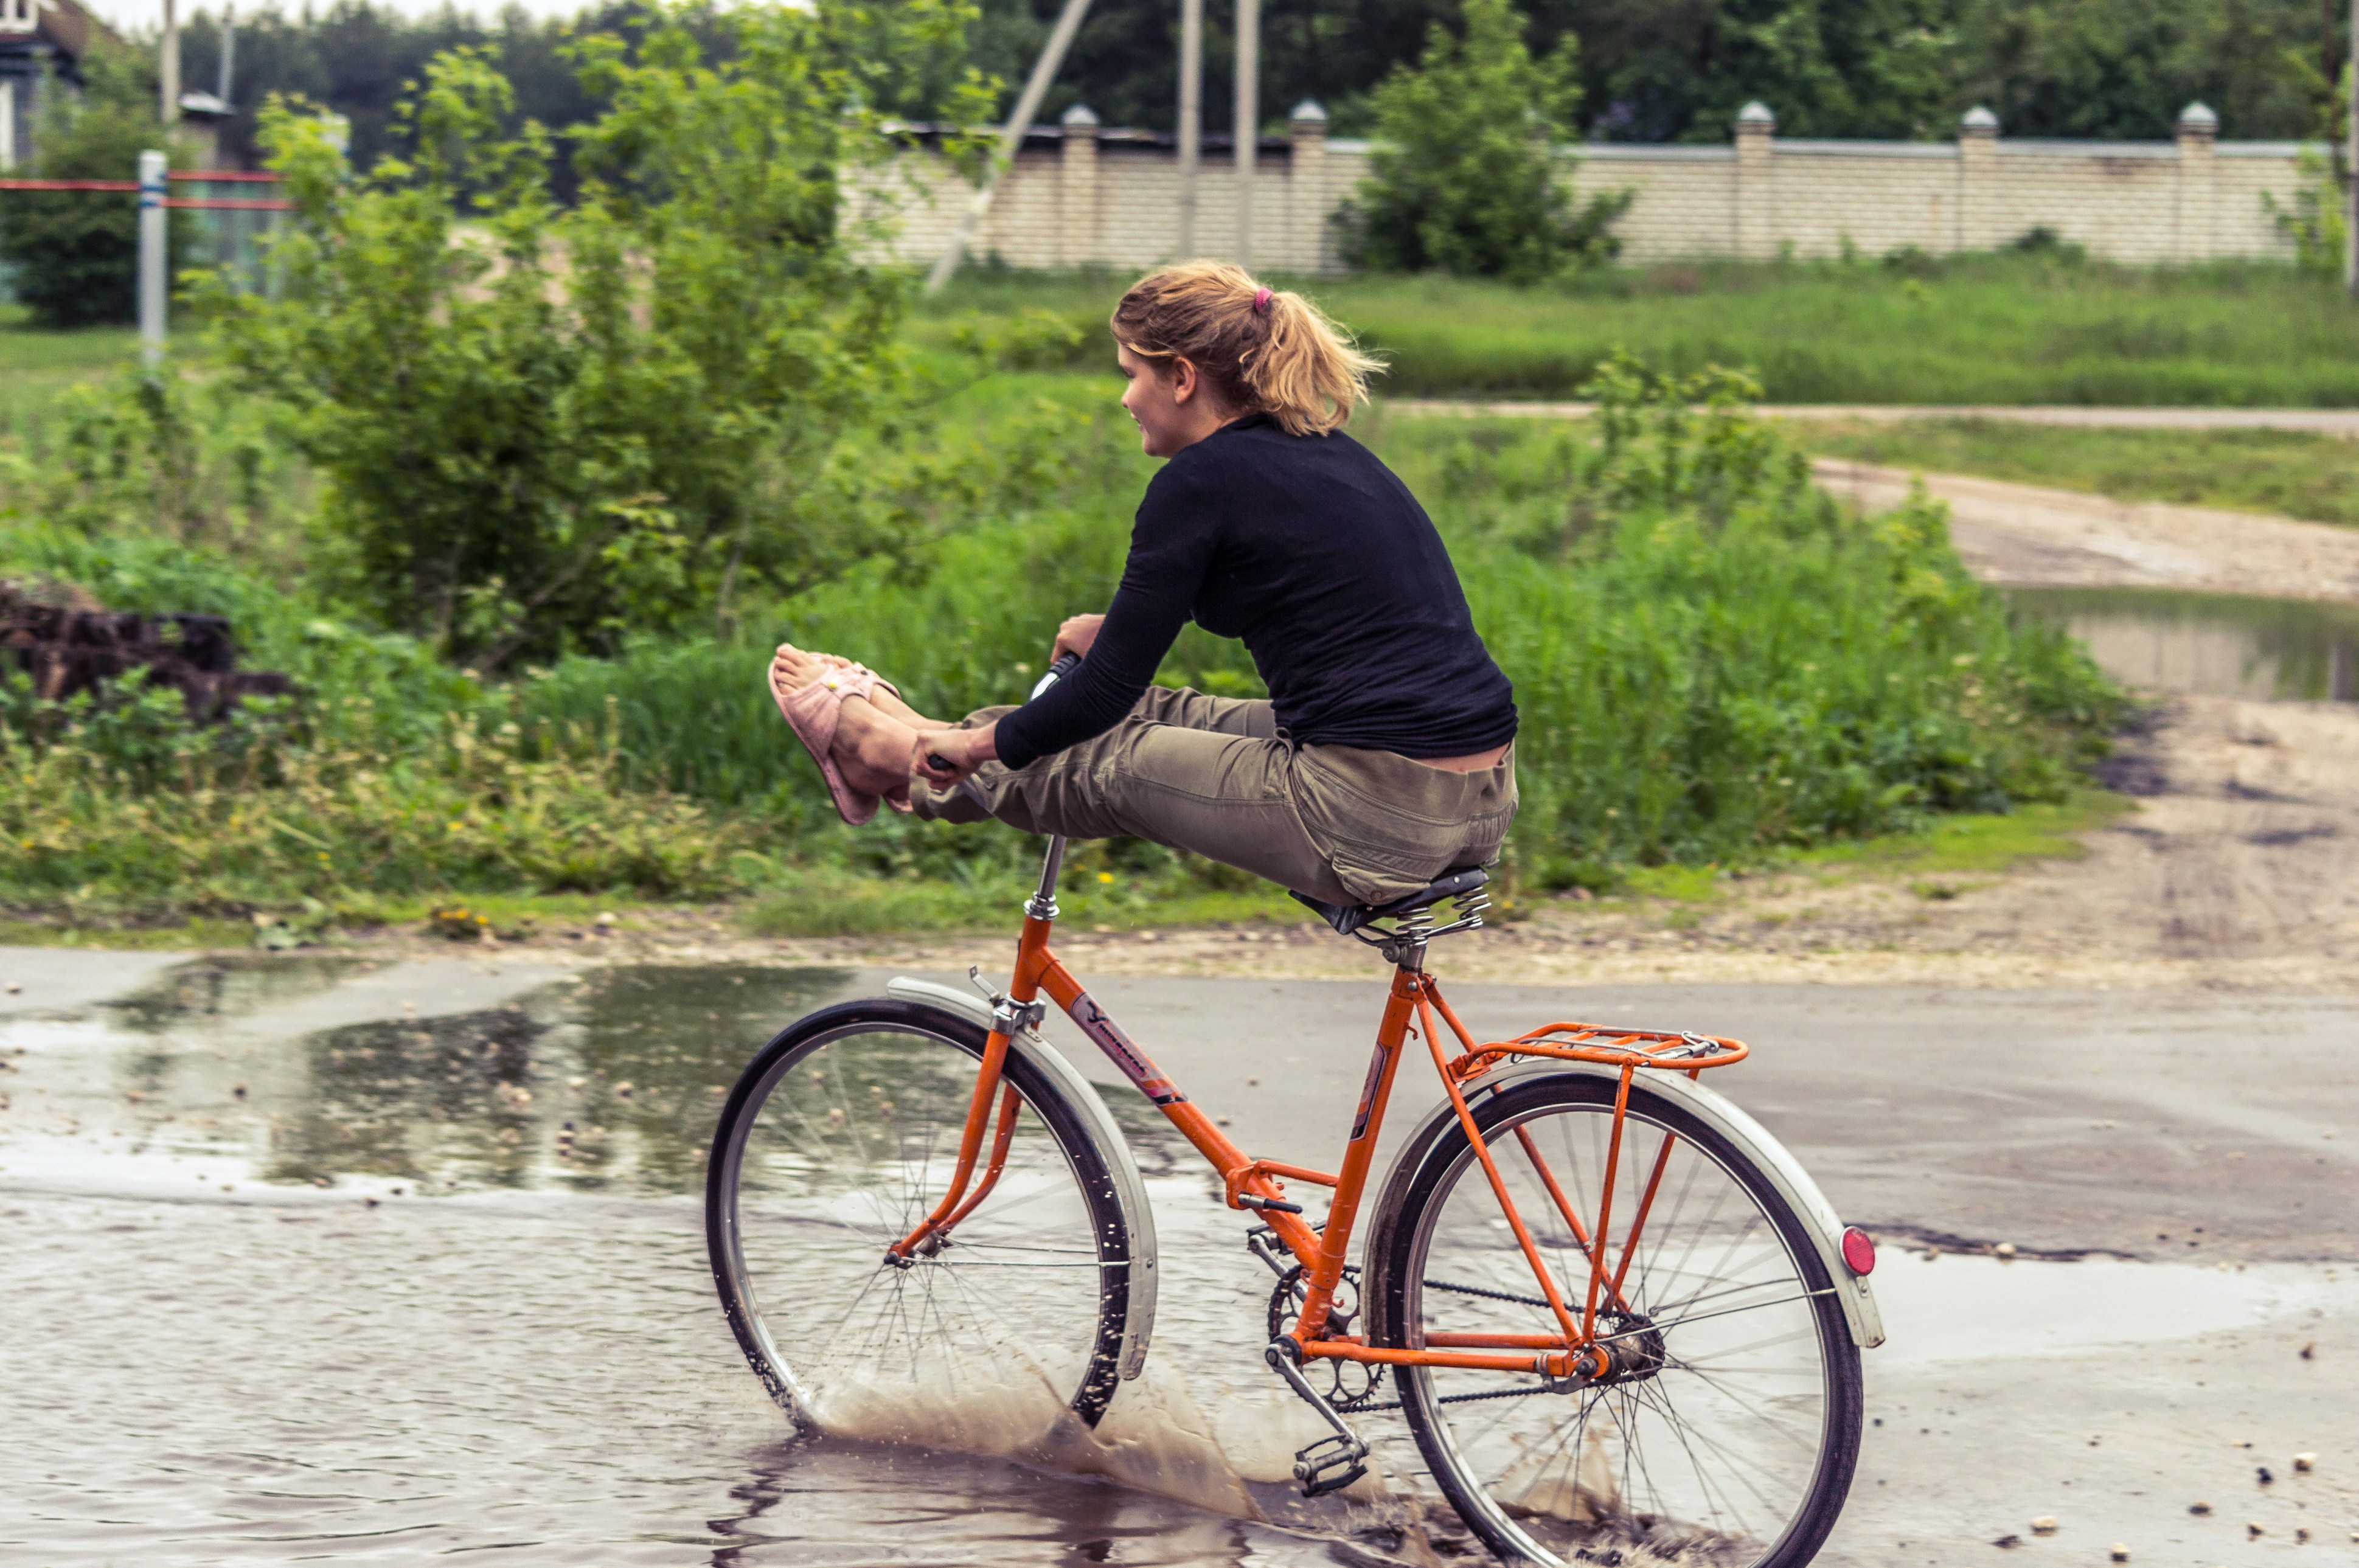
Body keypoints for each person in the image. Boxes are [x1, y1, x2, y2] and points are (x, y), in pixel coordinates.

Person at [767, 261, 1517, 911]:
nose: (1125, 398)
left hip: (1368, 812)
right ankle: (931, 739)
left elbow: (1100, 698)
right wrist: (1120, 627)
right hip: (1478, 795)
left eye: (1131, 374)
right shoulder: (1321, 448)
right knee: (1163, 711)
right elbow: (1275, 586)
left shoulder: (1197, 480)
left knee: (1107, 758)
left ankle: (894, 756)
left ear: (1182, 377)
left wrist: (988, 742)